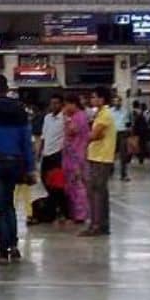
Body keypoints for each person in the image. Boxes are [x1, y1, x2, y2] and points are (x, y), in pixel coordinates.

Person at [0, 74, 35, 264]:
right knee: (9, 204)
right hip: (14, 162)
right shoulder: (19, 109)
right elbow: (26, 140)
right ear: (7, 88)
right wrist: (30, 167)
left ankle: (3, 252)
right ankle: (14, 247)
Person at [82, 87, 116, 237]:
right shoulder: (100, 113)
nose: (92, 100)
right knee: (98, 192)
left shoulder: (105, 115)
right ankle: (100, 224)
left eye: (94, 97)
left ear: (102, 99)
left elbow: (95, 135)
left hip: (101, 158)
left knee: (96, 192)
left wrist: (84, 135)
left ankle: (97, 225)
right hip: (96, 156)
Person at [30, 95, 67, 224]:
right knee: (46, 182)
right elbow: (44, 137)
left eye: (56, 103)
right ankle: (52, 207)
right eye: (52, 103)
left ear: (61, 104)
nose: (54, 106)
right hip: (47, 155)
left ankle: (61, 209)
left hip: (58, 155)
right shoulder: (47, 118)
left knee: (57, 184)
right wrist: (38, 153)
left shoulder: (64, 119)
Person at [62, 93, 91, 226]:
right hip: (71, 155)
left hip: (77, 155)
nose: (65, 108)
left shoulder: (79, 117)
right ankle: (75, 212)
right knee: (71, 185)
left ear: (73, 104)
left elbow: (71, 131)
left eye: (67, 105)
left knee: (78, 185)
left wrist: (66, 119)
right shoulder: (77, 116)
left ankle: (80, 213)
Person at [112, 95, 132, 181]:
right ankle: (110, 171)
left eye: (118, 101)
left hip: (122, 133)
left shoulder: (125, 111)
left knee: (123, 155)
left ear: (121, 102)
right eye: (115, 101)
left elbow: (128, 123)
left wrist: (129, 132)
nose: (116, 103)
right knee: (111, 154)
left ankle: (123, 174)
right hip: (112, 134)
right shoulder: (110, 111)